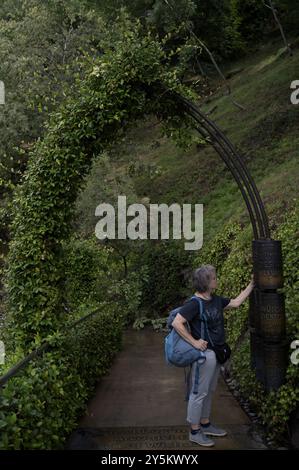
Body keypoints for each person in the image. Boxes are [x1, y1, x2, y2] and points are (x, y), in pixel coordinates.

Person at [171, 264, 255, 447]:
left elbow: (236, 303)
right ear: (206, 282)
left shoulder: (215, 300)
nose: (216, 279)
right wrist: (194, 342)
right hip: (204, 356)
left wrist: (251, 284)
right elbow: (177, 323)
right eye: (214, 278)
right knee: (198, 392)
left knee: (209, 391)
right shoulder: (194, 303)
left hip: (217, 353)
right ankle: (194, 431)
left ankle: (205, 424)